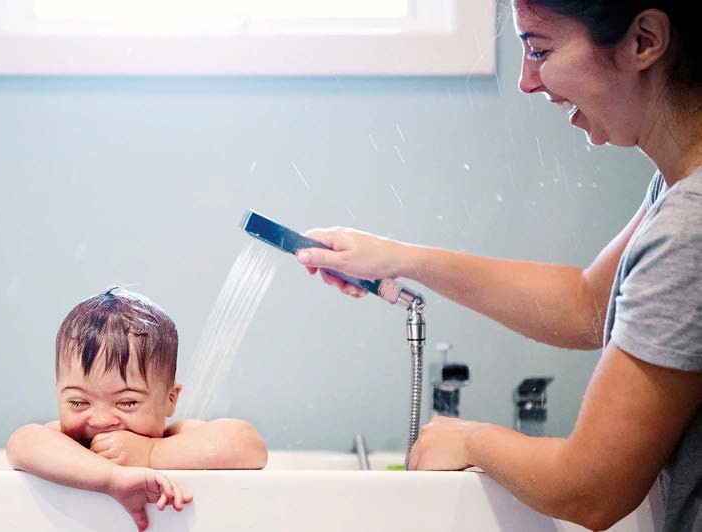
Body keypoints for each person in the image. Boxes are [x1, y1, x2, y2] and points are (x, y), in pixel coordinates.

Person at [296, 1, 702, 530]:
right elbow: (588, 304)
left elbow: (591, 488)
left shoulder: (689, 225)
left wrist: (469, 439)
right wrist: (402, 259)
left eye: (540, 50)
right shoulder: (675, 189)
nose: (526, 82)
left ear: (644, 40)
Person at [6, 287, 268, 531]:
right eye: (78, 402)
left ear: (169, 400)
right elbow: (22, 441)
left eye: (127, 402)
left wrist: (151, 453)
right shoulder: (69, 443)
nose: (101, 420)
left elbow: (248, 444)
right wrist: (113, 479)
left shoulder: (175, 436)